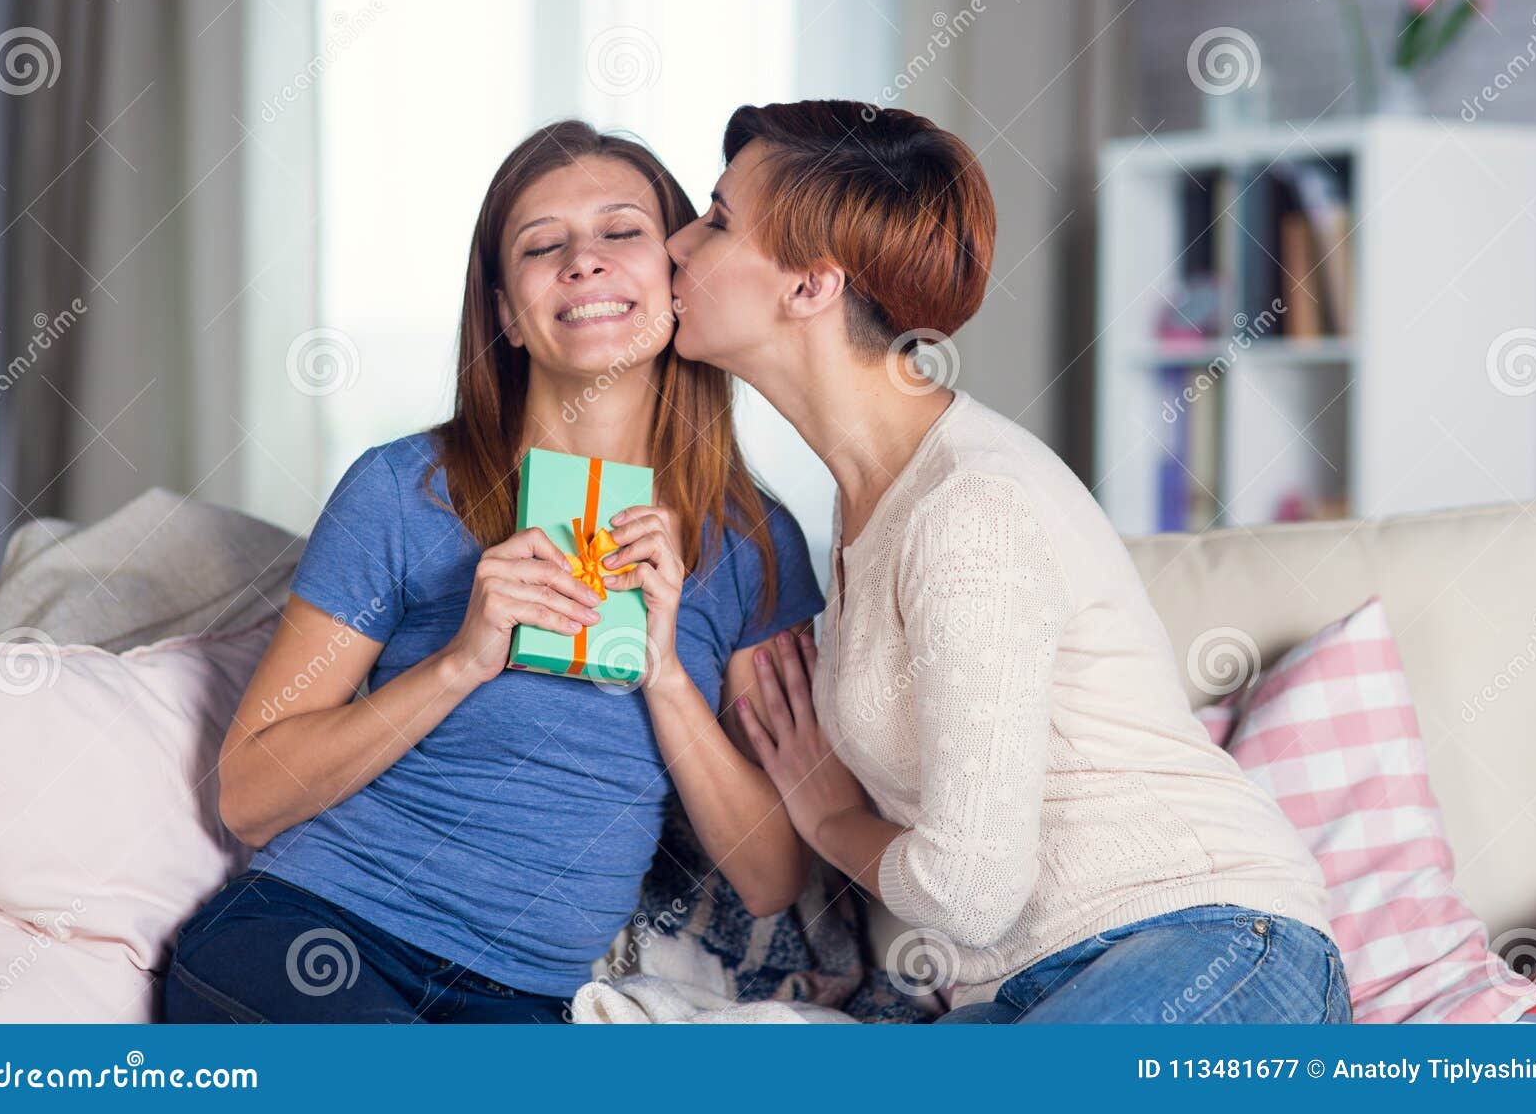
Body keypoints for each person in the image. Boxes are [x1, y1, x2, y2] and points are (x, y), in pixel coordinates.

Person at [662, 99, 1352, 1024]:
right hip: (1023, 988)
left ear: (810, 286)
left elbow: (972, 887)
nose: (675, 244)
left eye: (714, 221)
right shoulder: (867, 492)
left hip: (1211, 941)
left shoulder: (969, 504)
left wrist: (829, 821)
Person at [163, 121, 824, 1024]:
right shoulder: (401, 491)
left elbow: (770, 876)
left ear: (679, 278)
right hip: (316, 931)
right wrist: (463, 659)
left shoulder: (752, 541)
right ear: (509, 312)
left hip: (520, 998)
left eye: (621, 231)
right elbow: (247, 795)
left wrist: (666, 672)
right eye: (543, 245)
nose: (583, 261)